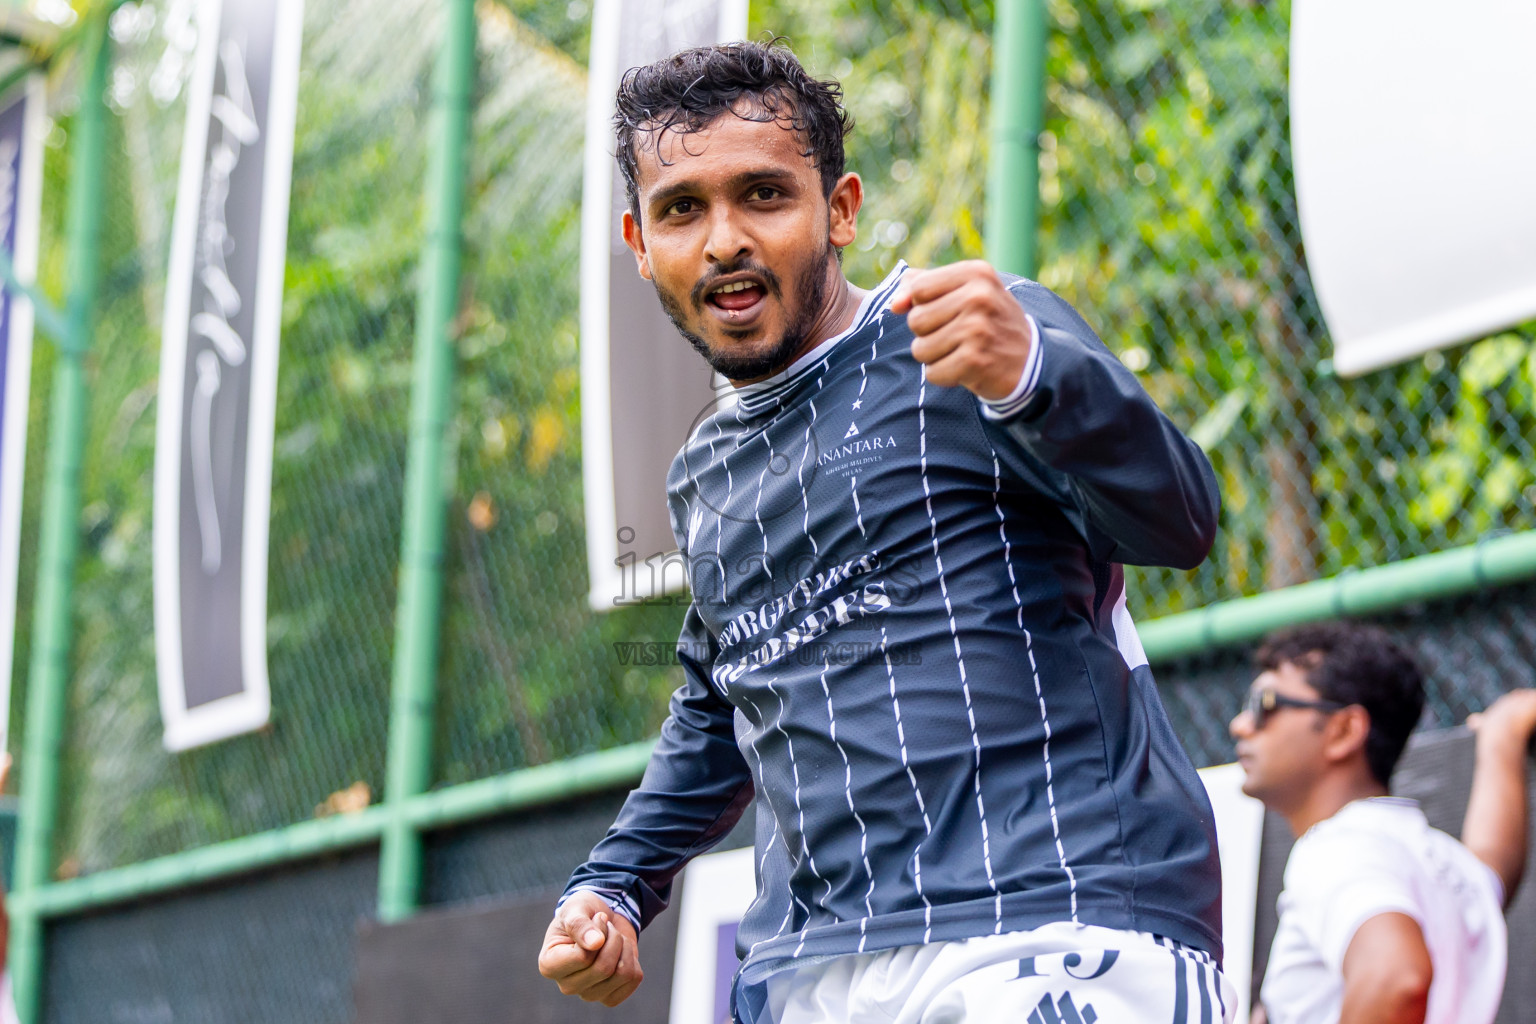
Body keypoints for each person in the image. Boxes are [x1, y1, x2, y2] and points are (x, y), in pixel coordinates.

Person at [538, 40, 1231, 1023]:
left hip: (1045, 921)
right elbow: (715, 706)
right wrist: (610, 885)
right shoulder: (704, 473)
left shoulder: (968, 337)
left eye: (764, 195)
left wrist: (1038, 374)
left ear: (842, 209)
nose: (725, 238)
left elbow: (1181, 518)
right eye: (683, 209)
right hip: (808, 974)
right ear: (641, 243)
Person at [1230, 623, 1536, 1024]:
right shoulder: (1424, 859)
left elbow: (1396, 978)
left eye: (1265, 703)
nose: (1241, 724)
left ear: (1344, 731)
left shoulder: (1337, 848)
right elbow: (1492, 870)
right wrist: (1503, 737)